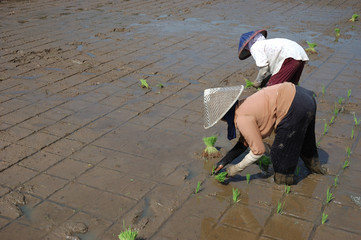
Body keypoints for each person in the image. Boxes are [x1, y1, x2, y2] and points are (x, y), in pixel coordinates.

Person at [203, 82, 326, 185]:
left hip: (294, 105)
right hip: (302, 96)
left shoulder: (242, 118)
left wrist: (234, 169)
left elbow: (258, 151)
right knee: (306, 142)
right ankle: (317, 170)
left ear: (224, 116)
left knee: (279, 156)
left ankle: (284, 184)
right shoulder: (243, 105)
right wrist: (224, 161)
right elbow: (245, 142)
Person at [238, 29, 309, 88]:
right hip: (300, 55)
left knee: (272, 89)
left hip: (290, 58)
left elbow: (263, 68)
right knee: (292, 86)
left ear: (247, 46)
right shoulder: (267, 43)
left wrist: (257, 82)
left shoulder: (255, 47)